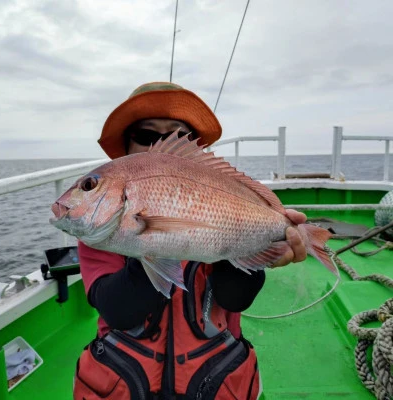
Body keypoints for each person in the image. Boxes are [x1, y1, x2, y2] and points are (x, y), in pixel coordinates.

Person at [73, 82, 307, 399]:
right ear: (126, 151)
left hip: (213, 376)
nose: (160, 145)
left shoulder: (217, 197)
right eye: (145, 135)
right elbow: (118, 312)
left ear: (193, 148)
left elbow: (236, 299)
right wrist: (150, 241)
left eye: (177, 137)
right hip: (128, 377)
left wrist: (263, 243)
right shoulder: (101, 234)